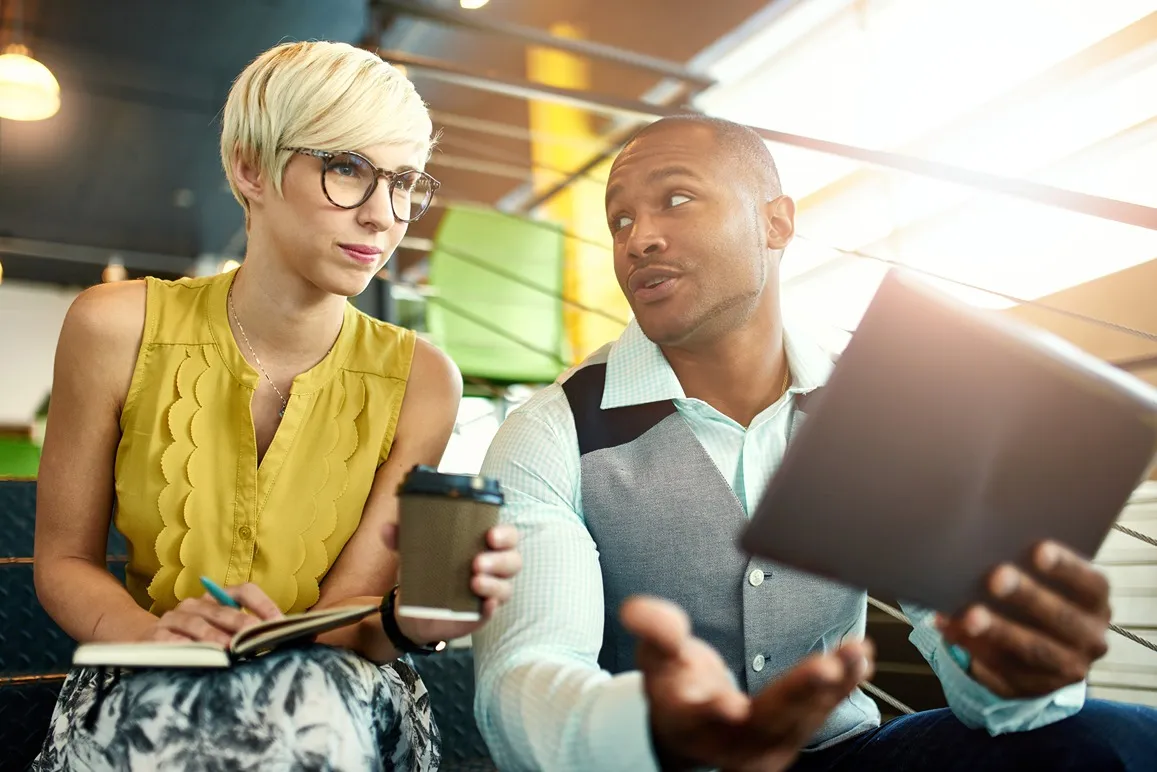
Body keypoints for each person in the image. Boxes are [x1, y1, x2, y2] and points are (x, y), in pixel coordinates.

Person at [472, 114, 1156, 771]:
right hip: (657, 763)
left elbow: (973, 658)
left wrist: (1017, 672)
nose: (637, 239)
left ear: (776, 223)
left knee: (1115, 740)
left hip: (845, 756)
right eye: (619, 219)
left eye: (675, 200)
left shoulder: (879, 411)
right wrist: (654, 731)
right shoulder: (548, 432)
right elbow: (524, 670)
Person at [32, 40, 521, 771]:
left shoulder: (424, 380)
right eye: (347, 169)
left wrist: (413, 618)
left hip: (337, 686)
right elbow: (64, 561)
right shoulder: (112, 327)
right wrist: (148, 636)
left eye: (403, 183)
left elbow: (345, 625)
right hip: (146, 666)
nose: (383, 216)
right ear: (249, 169)